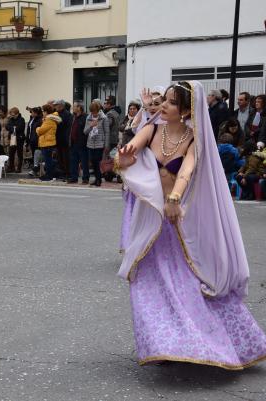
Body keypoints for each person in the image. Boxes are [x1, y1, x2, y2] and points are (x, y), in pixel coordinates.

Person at [116, 81, 266, 369]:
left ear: (185, 110)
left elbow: (186, 170)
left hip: (177, 221)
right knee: (149, 282)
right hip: (151, 220)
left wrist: (174, 198)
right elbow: (131, 147)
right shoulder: (153, 128)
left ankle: (209, 343)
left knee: (187, 284)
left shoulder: (194, 138)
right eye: (165, 101)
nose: (163, 106)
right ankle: (164, 343)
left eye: (171, 102)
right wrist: (124, 157)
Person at [84, 101, 109, 187]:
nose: (93, 114)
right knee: (92, 161)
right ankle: (97, 178)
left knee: (96, 161)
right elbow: (85, 132)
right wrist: (91, 126)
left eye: (94, 111)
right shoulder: (88, 118)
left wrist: (106, 145)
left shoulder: (104, 118)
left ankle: (98, 179)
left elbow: (107, 132)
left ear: (98, 110)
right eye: (92, 112)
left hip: (100, 143)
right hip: (90, 143)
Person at [36, 104, 61, 181]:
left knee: (48, 161)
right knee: (48, 160)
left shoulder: (49, 120)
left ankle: (49, 175)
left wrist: (37, 128)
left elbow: (40, 131)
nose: (42, 112)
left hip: (47, 143)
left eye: (43, 111)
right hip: (48, 142)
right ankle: (49, 174)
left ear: (46, 112)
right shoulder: (48, 119)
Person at [68, 102, 89, 184]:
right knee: (73, 161)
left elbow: (86, 131)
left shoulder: (85, 117)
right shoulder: (74, 117)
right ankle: (74, 177)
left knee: (84, 161)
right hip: (73, 143)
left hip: (82, 143)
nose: (73, 108)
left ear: (79, 108)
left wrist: (84, 141)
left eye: (74, 106)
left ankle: (85, 178)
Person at [53, 99, 73, 178]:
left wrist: (67, 139)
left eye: (56, 105)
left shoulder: (67, 114)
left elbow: (68, 128)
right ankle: (61, 173)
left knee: (66, 158)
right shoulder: (56, 114)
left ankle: (67, 173)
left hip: (64, 140)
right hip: (58, 139)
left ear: (61, 105)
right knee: (60, 158)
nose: (55, 107)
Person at [5, 107, 26, 173]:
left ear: (17, 114)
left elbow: (20, 128)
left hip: (19, 138)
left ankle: (19, 168)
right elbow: (7, 126)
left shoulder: (21, 119)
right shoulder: (11, 119)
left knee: (19, 153)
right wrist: (13, 128)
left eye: (13, 114)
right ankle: (11, 167)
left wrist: (13, 128)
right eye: (11, 114)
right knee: (11, 153)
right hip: (12, 138)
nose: (12, 116)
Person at [25, 107, 43, 177]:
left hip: (36, 140)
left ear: (36, 113)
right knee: (33, 155)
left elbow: (37, 130)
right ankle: (35, 170)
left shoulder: (39, 120)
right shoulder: (32, 119)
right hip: (31, 139)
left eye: (32, 112)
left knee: (37, 155)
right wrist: (27, 140)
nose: (31, 113)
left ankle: (36, 170)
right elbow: (29, 129)